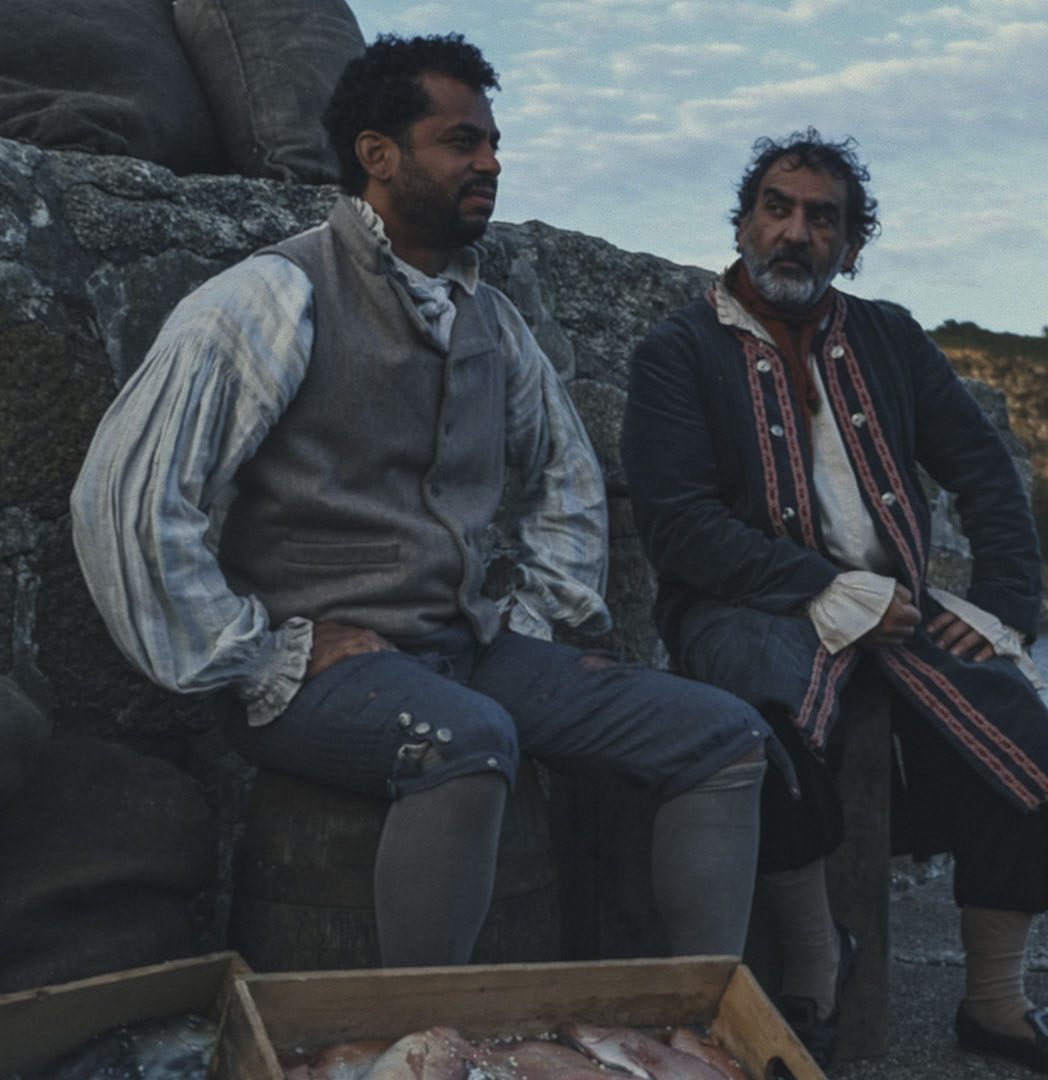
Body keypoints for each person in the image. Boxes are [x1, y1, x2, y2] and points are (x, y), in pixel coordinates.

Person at [69, 33, 772, 968]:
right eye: (461, 141)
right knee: (469, 744)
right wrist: (257, 650)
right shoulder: (275, 295)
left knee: (722, 736)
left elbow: (564, 474)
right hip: (316, 674)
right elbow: (126, 496)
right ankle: (423, 1041)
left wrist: (536, 612)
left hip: (468, 647)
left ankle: (690, 1026)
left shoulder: (492, 317)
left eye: (492, 144)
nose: (489, 162)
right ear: (378, 155)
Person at [622, 130, 1048, 1078]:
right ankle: (816, 970)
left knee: (1024, 743)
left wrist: (1004, 607)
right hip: (746, 606)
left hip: (895, 611)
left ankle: (995, 1007)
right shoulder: (677, 352)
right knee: (760, 731)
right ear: (744, 220)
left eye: (822, 219)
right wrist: (825, 589)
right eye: (777, 207)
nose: (795, 232)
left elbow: (984, 471)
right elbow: (680, 529)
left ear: (850, 245)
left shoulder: (888, 336)